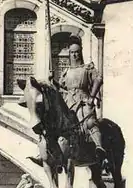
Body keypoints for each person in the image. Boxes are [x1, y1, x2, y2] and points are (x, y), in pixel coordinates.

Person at [29, 34, 106, 166]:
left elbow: (98, 79)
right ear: (69, 54)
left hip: (83, 100)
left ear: (80, 52)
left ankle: (99, 147)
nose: (74, 55)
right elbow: (62, 88)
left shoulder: (87, 68)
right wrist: (53, 81)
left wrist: (92, 96)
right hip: (67, 102)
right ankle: (45, 154)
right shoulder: (66, 71)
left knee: (90, 122)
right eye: (72, 53)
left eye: (77, 52)